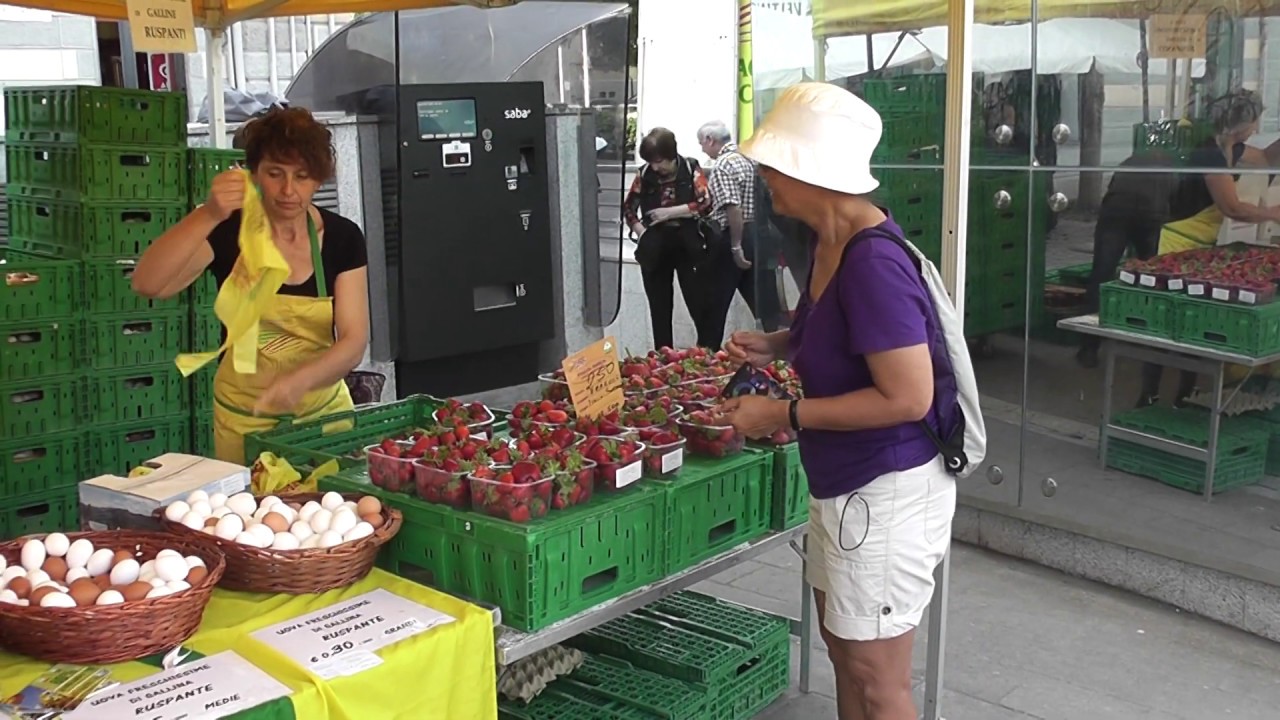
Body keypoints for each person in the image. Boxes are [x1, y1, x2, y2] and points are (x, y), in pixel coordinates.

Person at [721, 83, 957, 720]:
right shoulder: (829, 242)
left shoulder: (871, 262)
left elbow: (909, 397)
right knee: (844, 652)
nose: (765, 177)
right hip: (845, 484)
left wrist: (784, 414)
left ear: (811, 170)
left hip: (887, 489)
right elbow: (841, 333)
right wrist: (776, 343)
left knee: (880, 681)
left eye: (773, 164)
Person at [132, 107, 370, 464]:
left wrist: (299, 382)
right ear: (253, 174)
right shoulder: (230, 231)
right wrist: (209, 213)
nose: (288, 190)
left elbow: (353, 340)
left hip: (324, 423)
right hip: (246, 423)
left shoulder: (342, 238)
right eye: (275, 174)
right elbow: (149, 283)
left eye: (302, 177)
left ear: (318, 180)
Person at [1145, 90, 1280, 405]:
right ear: (1239, 124)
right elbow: (1232, 208)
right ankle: (1150, 394)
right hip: (1173, 244)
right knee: (1167, 331)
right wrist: (1273, 214)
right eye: (1255, 123)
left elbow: (1265, 159)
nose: (1257, 129)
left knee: (1190, 330)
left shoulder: (1231, 148)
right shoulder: (1209, 154)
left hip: (1198, 250)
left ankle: (1184, 395)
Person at [623, 127, 717, 349]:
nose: (656, 167)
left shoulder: (690, 167)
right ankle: (663, 357)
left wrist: (669, 212)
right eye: (651, 162)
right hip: (655, 245)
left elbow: (705, 202)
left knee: (699, 303)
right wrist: (640, 230)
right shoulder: (645, 174)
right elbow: (628, 206)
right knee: (659, 308)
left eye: (659, 161)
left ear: (671, 155)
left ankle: (706, 354)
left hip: (688, 244)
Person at [697, 120, 784, 341]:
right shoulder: (749, 159)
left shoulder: (724, 164)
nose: (701, 149)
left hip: (732, 237)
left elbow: (732, 206)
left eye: (702, 143)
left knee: (713, 308)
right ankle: (780, 351)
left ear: (710, 139)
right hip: (757, 236)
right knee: (764, 304)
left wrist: (736, 246)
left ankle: (707, 356)